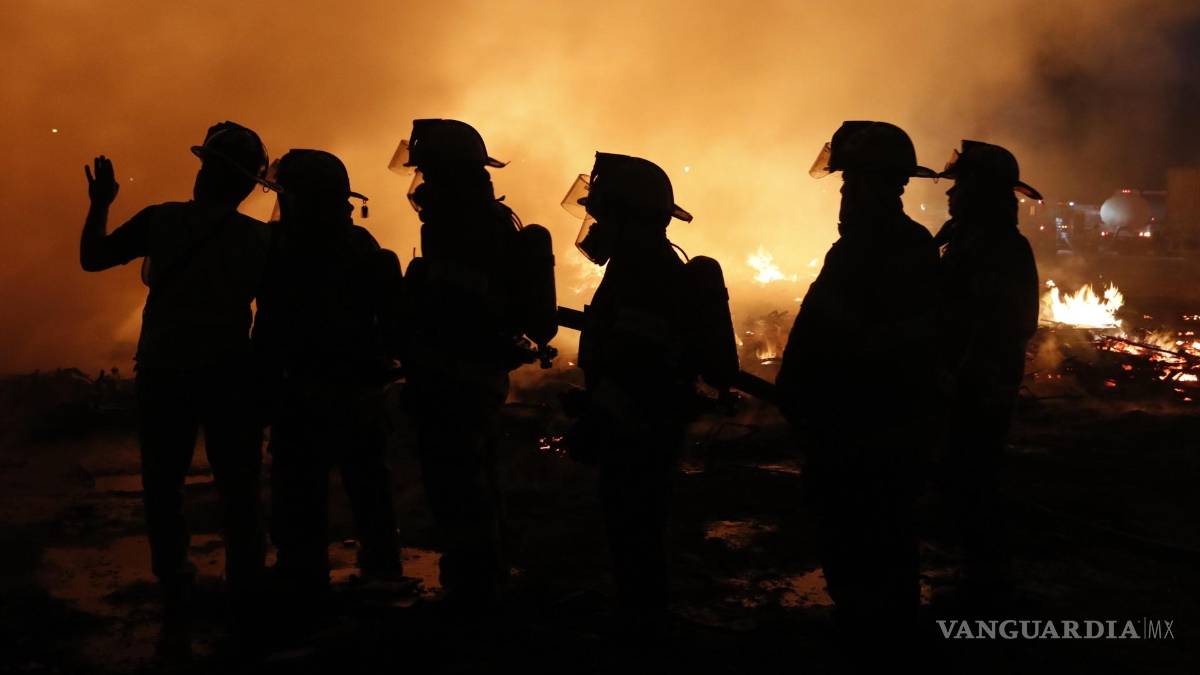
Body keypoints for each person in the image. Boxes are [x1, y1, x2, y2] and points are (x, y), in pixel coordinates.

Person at [78, 122, 271, 637]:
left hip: (165, 371)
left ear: (207, 172)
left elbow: (92, 258)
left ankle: (175, 584)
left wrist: (100, 203)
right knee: (239, 485)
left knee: (162, 484)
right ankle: (246, 585)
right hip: (232, 375)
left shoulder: (162, 221)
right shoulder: (259, 239)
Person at [775, 121, 940, 657]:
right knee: (873, 541)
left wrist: (819, 398)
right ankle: (876, 633)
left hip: (865, 431)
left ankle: (877, 643)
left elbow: (862, 341)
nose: (843, 195)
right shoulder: (884, 245)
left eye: (849, 183)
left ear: (877, 184)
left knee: (869, 540)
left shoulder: (885, 249)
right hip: (861, 426)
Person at [561, 152, 738, 632]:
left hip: (639, 426)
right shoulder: (638, 268)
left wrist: (597, 416)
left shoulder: (646, 276)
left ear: (626, 217)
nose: (594, 228)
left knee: (634, 519)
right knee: (634, 518)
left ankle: (644, 621)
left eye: (601, 216)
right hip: (639, 421)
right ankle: (639, 608)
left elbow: (640, 367)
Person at [393, 119, 553, 612]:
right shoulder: (469, 223)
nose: (423, 185)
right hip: (467, 372)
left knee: (459, 482)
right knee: (470, 477)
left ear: (448, 174)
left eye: (429, 172)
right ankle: (482, 576)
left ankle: (474, 590)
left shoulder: (467, 228)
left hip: (458, 373)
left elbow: (461, 308)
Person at [252, 149, 408, 611]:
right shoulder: (361, 245)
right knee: (368, 484)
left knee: (299, 486)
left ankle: (303, 578)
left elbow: (270, 325)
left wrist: (259, 385)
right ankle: (382, 571)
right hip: (358, 389)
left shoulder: (276, 247)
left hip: (301, 388)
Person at [932, 140, 1040, 611]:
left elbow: (1000, 323)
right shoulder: (964, 238)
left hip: (979, 385)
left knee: (976, 476)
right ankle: (974, 572)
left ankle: (988, 585)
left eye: (960, 186)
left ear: (982, 191)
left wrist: (962, 375)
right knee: (959, 476)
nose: (950, 195)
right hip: (960, 380)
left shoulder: (1002, 248)